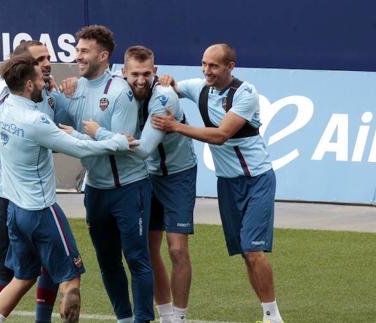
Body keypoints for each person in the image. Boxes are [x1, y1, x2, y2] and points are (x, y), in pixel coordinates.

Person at [0, 54, 137, 323]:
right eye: (40, 78)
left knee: (22, 277)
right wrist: (116, 142)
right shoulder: (35, 121)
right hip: (42, 212)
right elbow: (78, 147)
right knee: (71, 279)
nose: (45, 82)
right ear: (29, 85)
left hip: (15, 212)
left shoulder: (2, 102)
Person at [152, 44, 284, 323]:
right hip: (227, 184)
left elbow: (221, 135)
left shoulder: (245, 93)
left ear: (230, 67)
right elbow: (170, 85)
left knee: (253, 249)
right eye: (203, 64)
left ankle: (273, 315)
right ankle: (266, 311)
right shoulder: (200, 87)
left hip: (256, 179)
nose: (206, 71)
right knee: (246, 255)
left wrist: (176, 126)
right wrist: (165, 81)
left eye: (213, 66)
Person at [80, 46, 197, 323]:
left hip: (177, 174)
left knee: (177, 249)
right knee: (147, 249)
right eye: (135, 74)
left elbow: (143, 148)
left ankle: (178, 319)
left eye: (147, 74)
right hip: (145, 176)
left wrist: (99, 134)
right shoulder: (120, 88)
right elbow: (95, 78)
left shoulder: (164, 96)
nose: (141, 80)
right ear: (124, 73)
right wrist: (73, 81)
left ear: (155, 72)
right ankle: (165, 315)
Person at [61, 25, 154, 323]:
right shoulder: (74, 88)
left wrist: (77, 137)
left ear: (103, 56)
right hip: (96, 191)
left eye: (84, 51)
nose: (78, 56)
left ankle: (141, 320)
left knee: (137, 260)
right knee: (107, 261)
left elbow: (122, 145)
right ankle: (123, 318)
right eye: (77, 50)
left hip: (130, 188)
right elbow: (54, 124)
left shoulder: (119, 92)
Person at [0, 40, 69, 323]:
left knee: (49, 265)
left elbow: (51, 138)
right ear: (21, 67)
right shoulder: (4, 88)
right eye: (37, 60)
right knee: (7, 271)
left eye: (47, 58)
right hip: (4, 197)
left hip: (29, 197)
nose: (45, 64)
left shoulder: (46, 95)